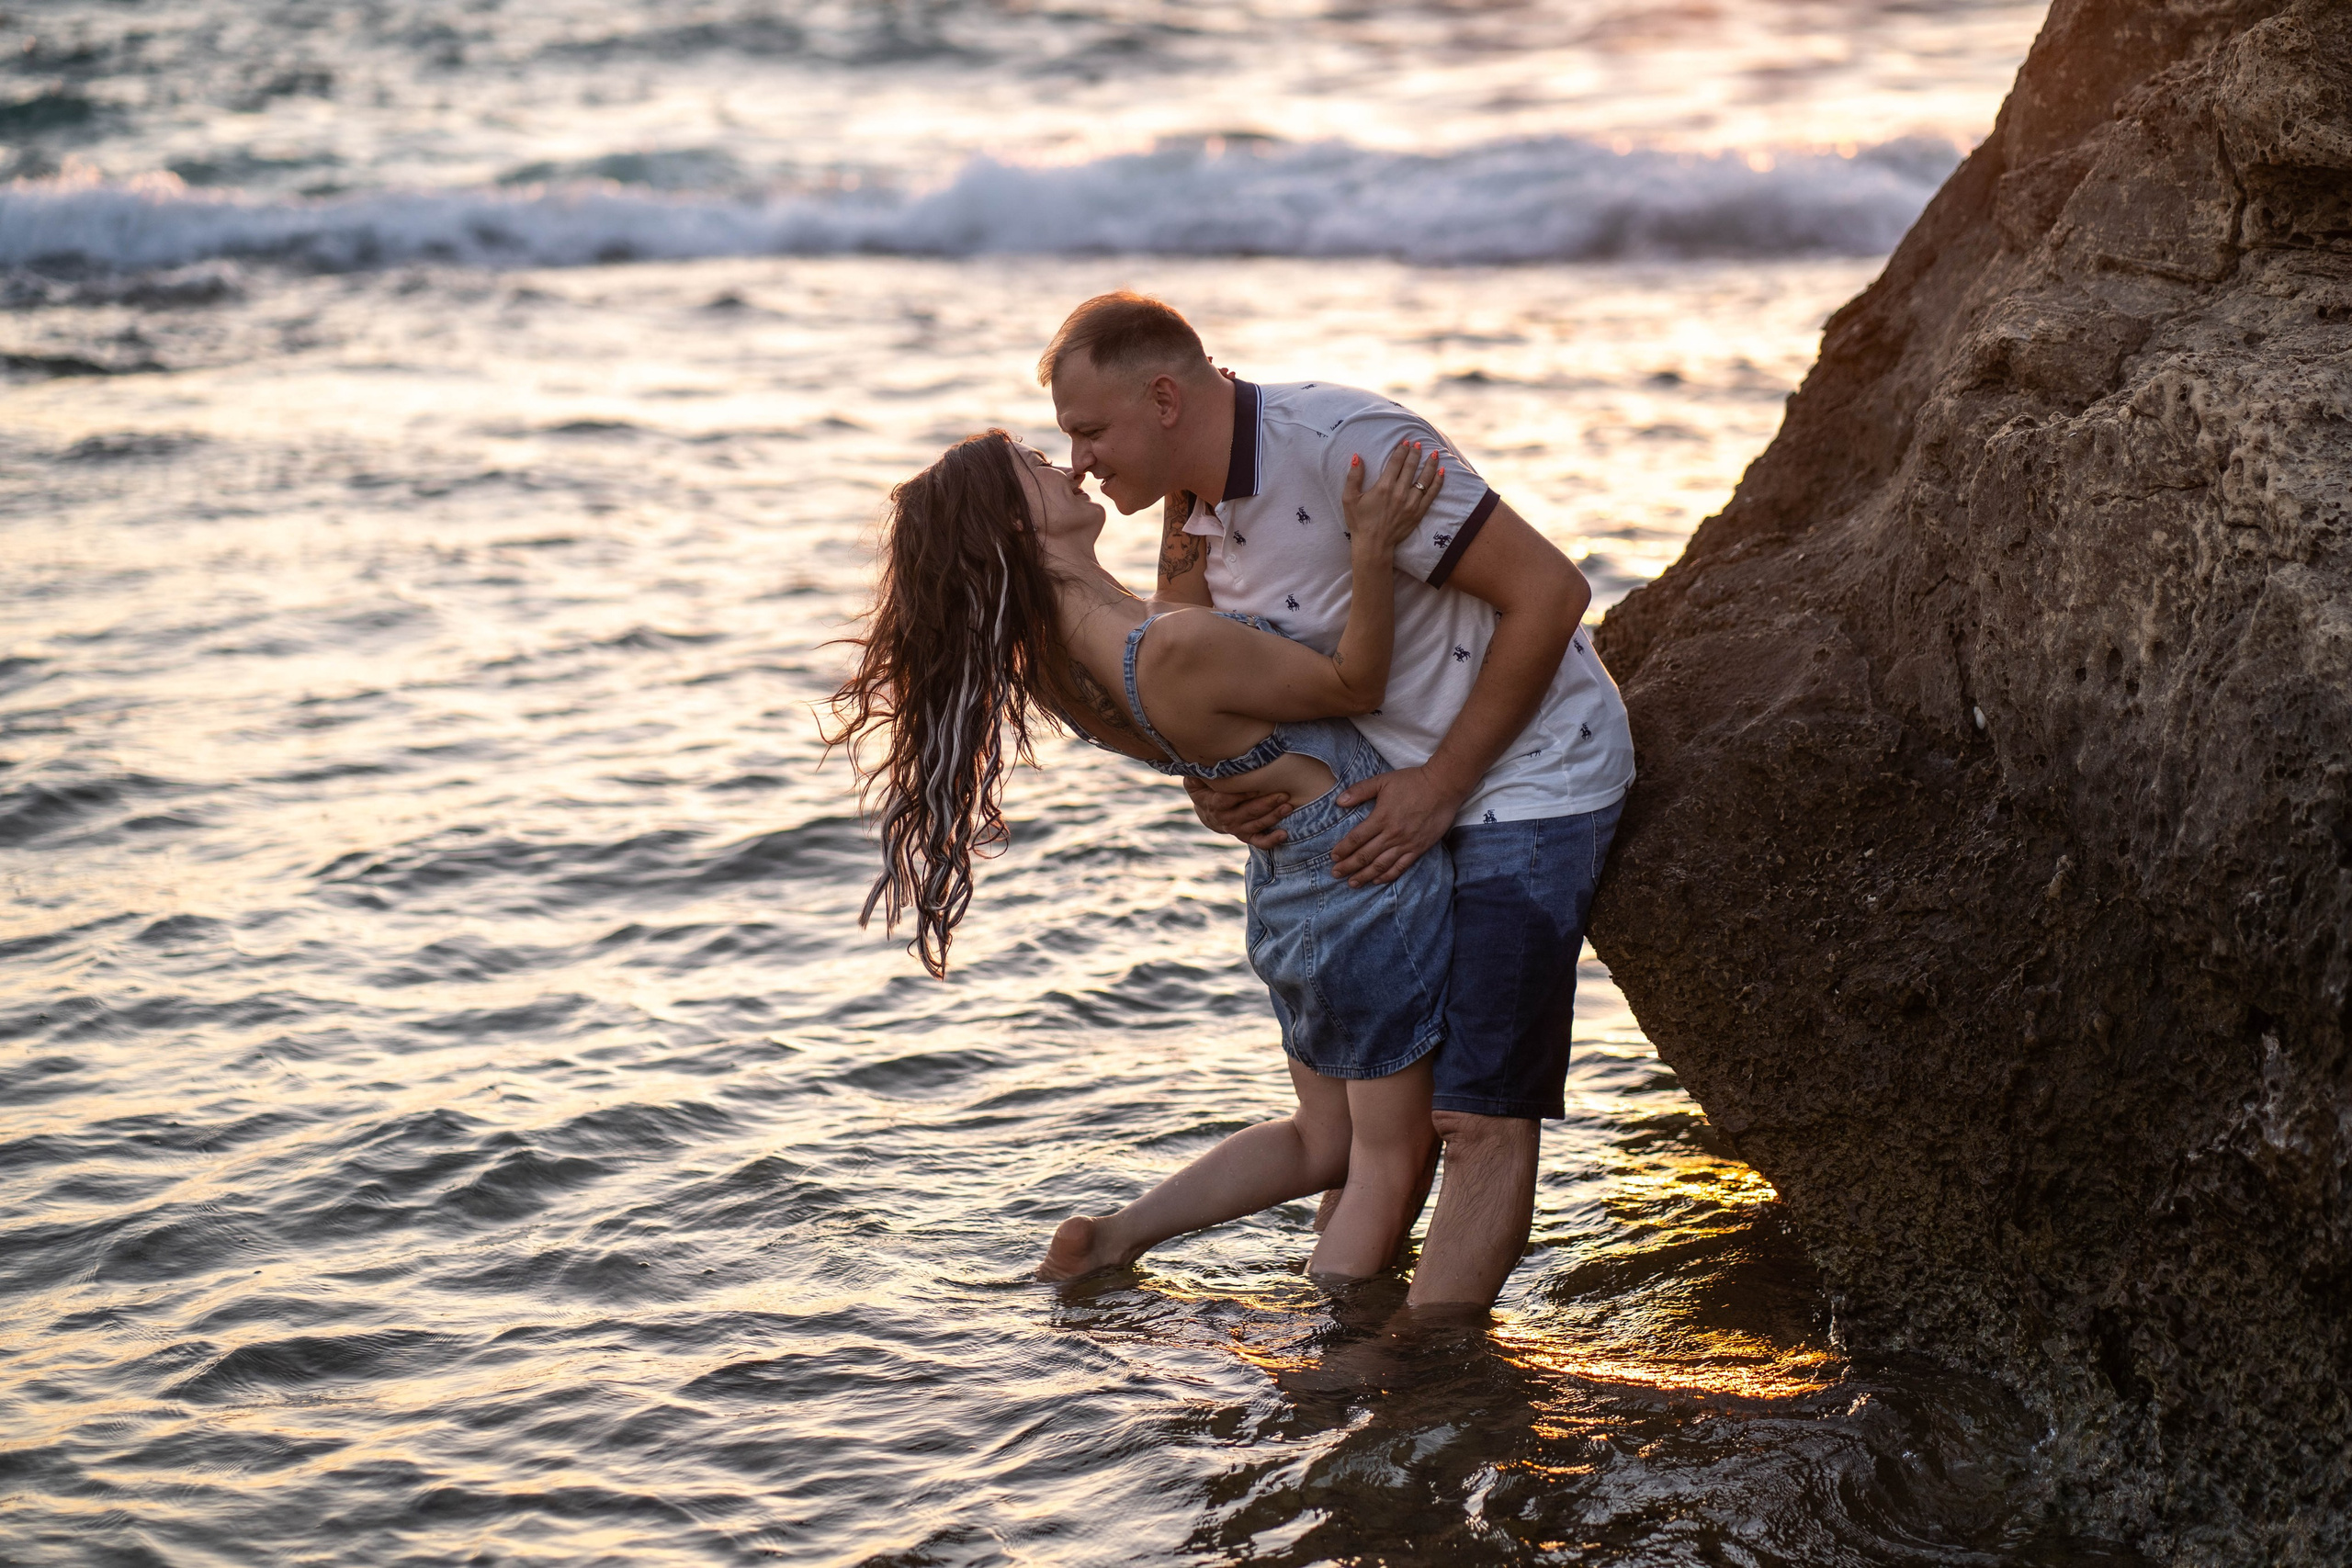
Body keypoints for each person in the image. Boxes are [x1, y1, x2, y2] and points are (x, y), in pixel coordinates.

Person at [1042, 292, 1634, 1311]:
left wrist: (1440, 789)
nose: (1080, 460)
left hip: (1527, 777)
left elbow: (1552, 593)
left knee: (1474, 1121)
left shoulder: (1348, 450)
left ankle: (1416, 1379)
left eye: (1090, 431)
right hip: (1378, 795)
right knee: (1372, 1136)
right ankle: (1354, 1344)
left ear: (1166, 397)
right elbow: (1192, 659)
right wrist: (1211, 783)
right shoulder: (1190, 506)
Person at [827, 423, 1461, 1280]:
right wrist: (1375, 549)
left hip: (1289, 885)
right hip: (1355, 871)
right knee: (1390, 1158)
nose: (1070, 466)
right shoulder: (1170, 648)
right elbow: (1356, 683)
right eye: (1040, 468)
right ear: (1018, 523)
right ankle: (1338, 1368)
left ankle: (1116, 1237)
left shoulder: (1067, 658)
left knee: (1326, 1140)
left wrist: (1182, 471)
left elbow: (1182, 638)